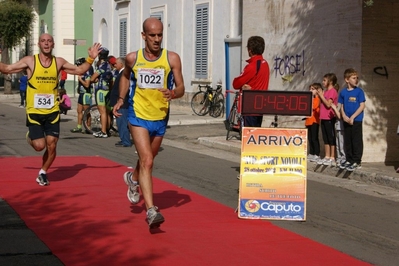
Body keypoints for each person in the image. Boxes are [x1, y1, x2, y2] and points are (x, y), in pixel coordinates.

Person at [0, 33, 102, 186]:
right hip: (34, 111)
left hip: (52, 111)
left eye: (49, 41)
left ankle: (43, 172)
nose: (46, 44)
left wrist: (91, 58)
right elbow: (7, 69)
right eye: (43, 41)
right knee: (39, 146)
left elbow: (80, 70)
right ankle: (31, 137)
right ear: (39, 44)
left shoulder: (59, 62)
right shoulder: (30, 61)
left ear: (53, 44)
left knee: (52, 144)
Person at [113, 17, 185, 228]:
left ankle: (133, 179)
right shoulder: (133, 58)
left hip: (160, 117)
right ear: (143, 36)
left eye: (159, 34)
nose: (156, 39)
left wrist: (173, 93)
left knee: (149, 158)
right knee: (148, 161)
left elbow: (181, 87)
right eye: (152, 35)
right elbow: (125, 77)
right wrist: (120, 99)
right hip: (137, 115)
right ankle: (152, 211)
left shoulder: (171, 58)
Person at [232, 35, 270, 127]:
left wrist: (245, 87)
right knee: (256, 134)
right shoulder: (265, 64)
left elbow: (236, 83)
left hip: (250, 106)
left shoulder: (252, 66)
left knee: (248, 136)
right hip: (260, 106)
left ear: (250, 50)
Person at [338, 68, 366, 171]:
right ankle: (349, 159)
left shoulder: (359, 91)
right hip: (346, 120)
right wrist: (344, 116)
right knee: (348, 140)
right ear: (347, 79)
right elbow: (341, 105)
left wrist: (353, 117)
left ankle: (357, 161)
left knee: (356, 140)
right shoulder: (343, 92)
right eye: (353, 78)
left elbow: (362, 106)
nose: (356, 80)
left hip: (356, 120)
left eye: (357, 78)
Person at [90, 48, 114, 138]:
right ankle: (107, 130)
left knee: (102, 112)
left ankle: (103, 131)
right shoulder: (108, 66)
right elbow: (111, 81)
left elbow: (92, 78)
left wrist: (94, 79)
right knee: (106, 112)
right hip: (107, 89)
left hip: (100, 90)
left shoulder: (102, 66)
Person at [316, 73, 339, 166]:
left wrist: (321, 96)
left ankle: (332, 157)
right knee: (325, 138)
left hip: (330, 118)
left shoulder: (332, 91)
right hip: (323, 117)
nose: (323, 82)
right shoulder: (325, 92)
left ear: (331, 81)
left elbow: (328, 104)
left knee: (331, 137)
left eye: (325, 80)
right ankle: (327, 156)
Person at [109, 57, 132, 147]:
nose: (115, 65)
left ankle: (126, 141)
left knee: (122, 122)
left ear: (121, 64)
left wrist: (120, 99)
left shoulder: (124, 74)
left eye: (116, 63)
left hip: (122, 102)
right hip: (118, 102)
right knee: (120, 122)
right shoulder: (120, 73)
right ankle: (123, 139)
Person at [70, 57, 94, 133]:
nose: (77, 67)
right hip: (81, 93)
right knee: (79, 110)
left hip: (86, 93)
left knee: (86, 111)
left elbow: (87, 85)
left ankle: (88, 127)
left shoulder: (87, 71)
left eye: (78, 65)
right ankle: (79, 127)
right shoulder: (81, 72)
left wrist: (80, 80)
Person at [306, 83, 321, 162]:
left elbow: (314, 107)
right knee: (310, 138)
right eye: (310, 89)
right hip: (308, 121)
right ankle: (311, 153)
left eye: (313, 89)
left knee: (314, 138)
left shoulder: (317, 99)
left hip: (314, 121)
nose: (310, 90)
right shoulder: (309, 99)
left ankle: (317, 154)